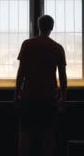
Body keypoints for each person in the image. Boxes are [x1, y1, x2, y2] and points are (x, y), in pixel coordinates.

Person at [14, 15, 67, 156]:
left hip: (29, 96)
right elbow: (62, 76)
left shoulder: (27, 44)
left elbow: (21, 73)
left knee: (24, 135)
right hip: (49, 97)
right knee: (48, 137)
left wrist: (16, 93)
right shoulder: (57, 48)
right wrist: (64, 98)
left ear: (38, 26)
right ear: (51, 28)